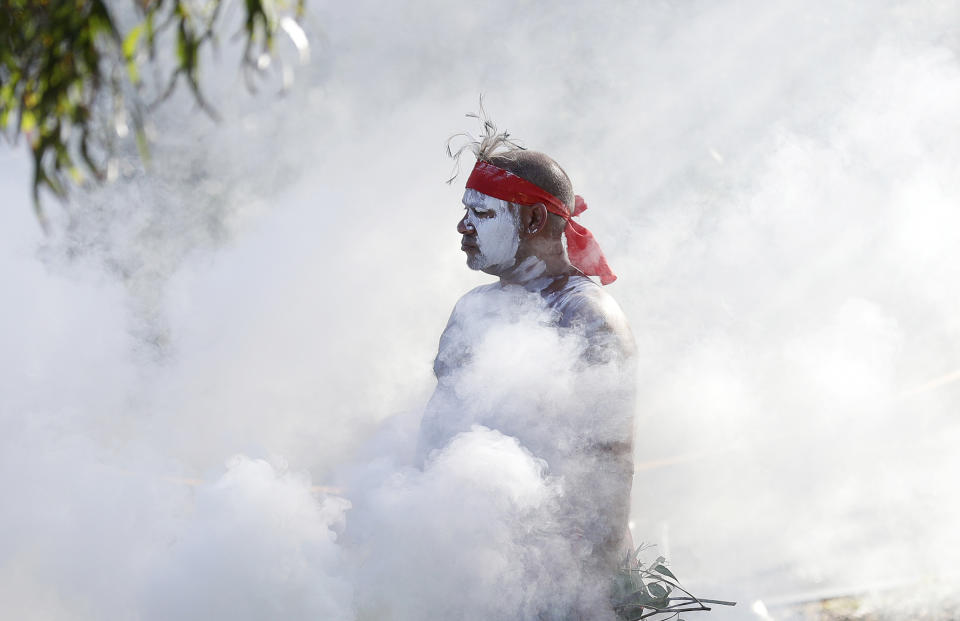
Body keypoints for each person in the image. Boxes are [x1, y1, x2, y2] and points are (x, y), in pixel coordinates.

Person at [416, 129, 637, 618]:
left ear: (535, 217)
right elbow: (434, 440)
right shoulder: (471, 309)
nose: (462, 227)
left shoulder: (586, 316)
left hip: (564, 585)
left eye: (482, 213)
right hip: (481, 577)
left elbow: (608, 473)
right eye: (465, 210)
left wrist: (589, 598)